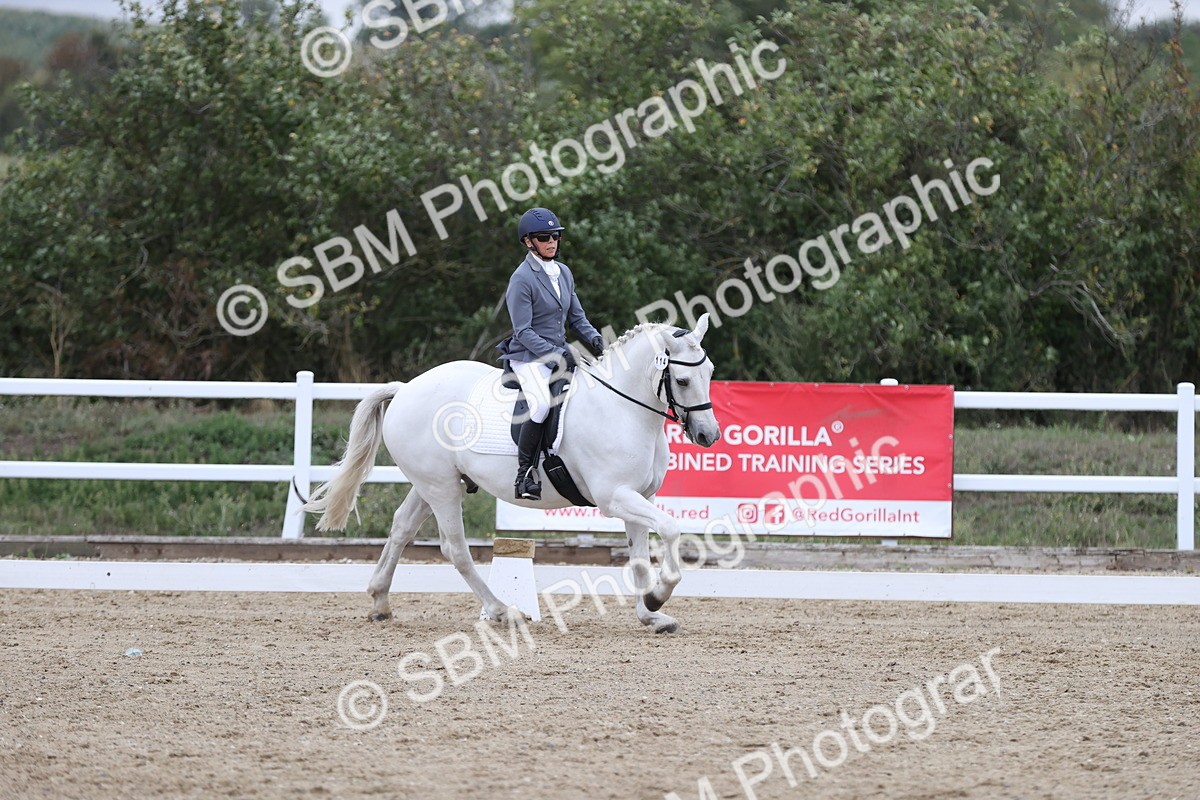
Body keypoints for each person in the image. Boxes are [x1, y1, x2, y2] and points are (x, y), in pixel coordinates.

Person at [500, 207, 605, 500]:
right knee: (542, 405)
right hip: (528, 357)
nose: (552, 242)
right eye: (544, 237)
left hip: (559, 352)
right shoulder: (521, 279)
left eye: (555, 236)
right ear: (528, 242)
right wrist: (557, 354)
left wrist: (596, 340)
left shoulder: (563, 273)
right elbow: (523, 331)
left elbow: (577, 318)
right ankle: (524, 476)